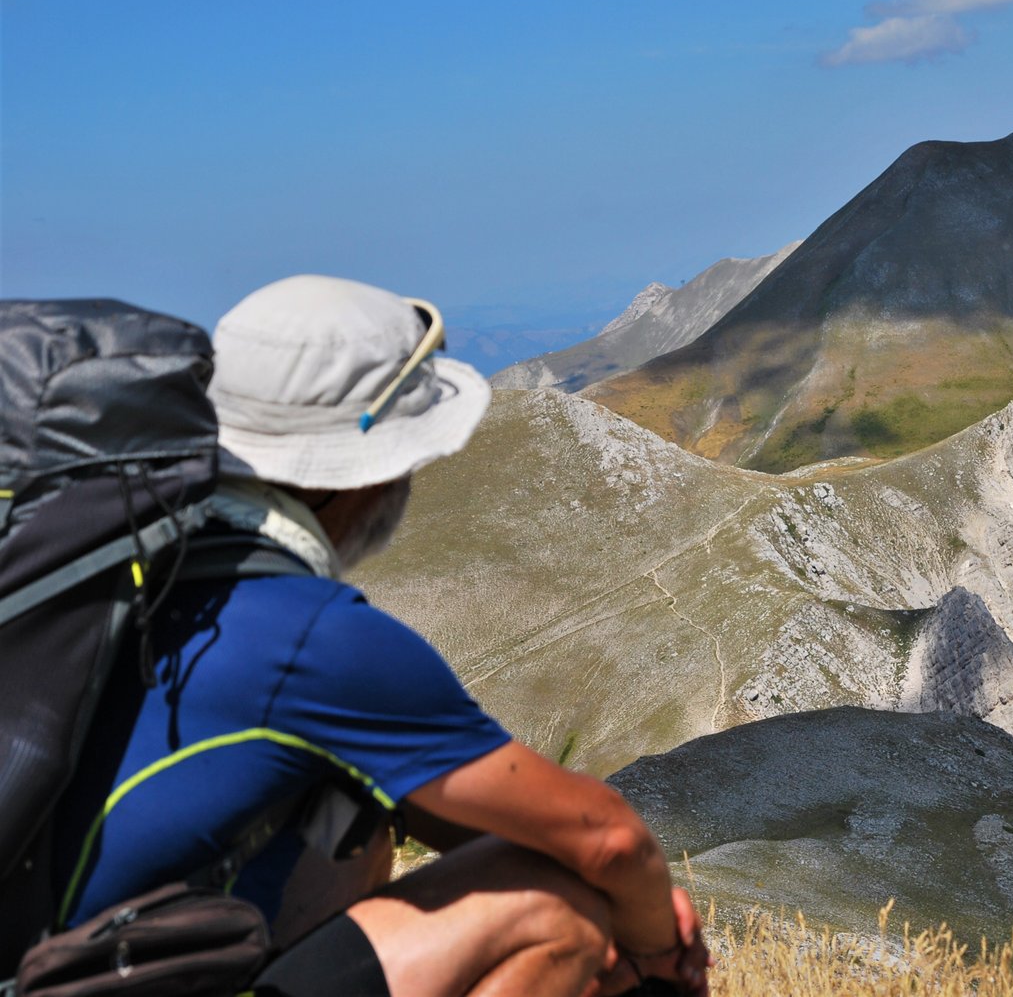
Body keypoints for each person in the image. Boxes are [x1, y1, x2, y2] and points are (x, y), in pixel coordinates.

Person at [50, 275, 710, 997]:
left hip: (56, 968)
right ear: (360, 473)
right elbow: (608, 837)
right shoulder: (312, 637)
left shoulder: (142, 571)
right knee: (553, 911)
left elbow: (490, 824)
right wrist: (656, 960)